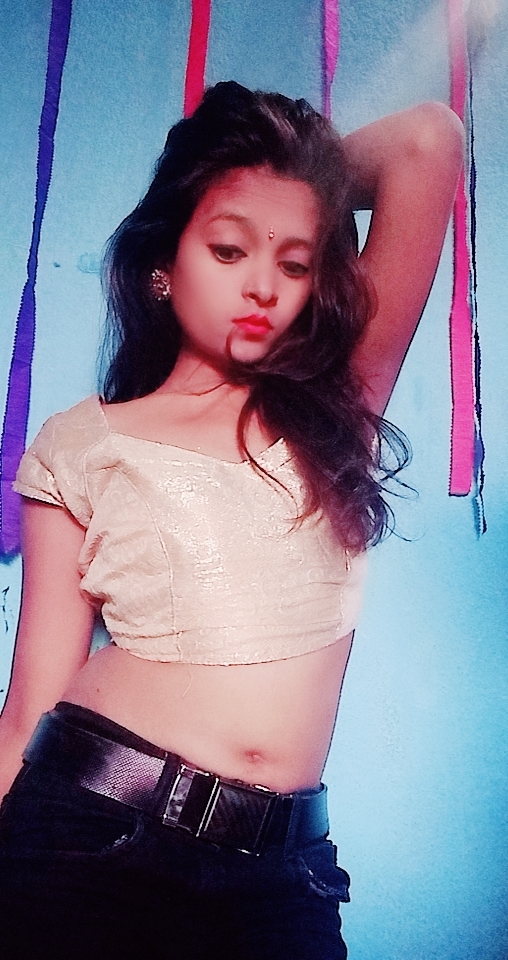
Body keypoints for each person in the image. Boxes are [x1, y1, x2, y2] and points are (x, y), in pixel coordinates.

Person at [0, 81, 463, 959]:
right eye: (227, 247)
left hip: (284, 881)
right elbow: (27, 714)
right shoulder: (81, 442)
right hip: (89, 841)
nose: (261, 286)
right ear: (163, 263)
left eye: (294, 262)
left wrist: (296, 177)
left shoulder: (338, 409)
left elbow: (426, 143)